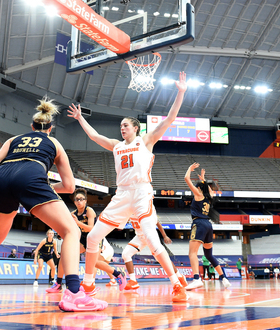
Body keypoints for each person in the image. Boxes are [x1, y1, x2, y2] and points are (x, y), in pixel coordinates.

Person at [0, 97, 107, 312]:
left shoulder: (14, 139)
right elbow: (69, 186)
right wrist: (39, 185)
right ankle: (75, 293)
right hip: (31, 177)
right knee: (70, 231)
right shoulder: (55, 143)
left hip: (2, 178)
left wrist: (13, 181)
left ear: (32, 126)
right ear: (50, 129)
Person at [68, 72, 188, 303]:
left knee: (152, 240)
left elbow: (170, 118)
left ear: (135, 128)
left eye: (125, 125)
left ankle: (176, 284)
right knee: (93, 237)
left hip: (142, 192)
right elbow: (94, 136)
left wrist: (180, 92)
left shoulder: (147, 140)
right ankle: (88, 285)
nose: (121, 128)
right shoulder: (115, 145)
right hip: (122, 194)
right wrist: (81, 119)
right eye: (120, 126)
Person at [183, 163, 231, 290]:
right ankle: (223, 278)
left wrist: (189, 169)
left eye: (198, 187)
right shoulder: (209, 198)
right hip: (209, 225)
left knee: (192, 253)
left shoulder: (198, 195)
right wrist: (203, 179)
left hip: (199, 223)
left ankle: (196, 278)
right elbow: (210, 190)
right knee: (209, 255)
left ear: (199, 188)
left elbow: (186, 179)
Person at [122, 215, 187, 290]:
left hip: (150, 236)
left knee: (162, 259)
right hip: (140, 237)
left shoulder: (144, 208)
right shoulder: (129, 208)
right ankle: (133, 281)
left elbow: (157, 222)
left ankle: (179, 276)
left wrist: (165, 236)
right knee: (126, 254)